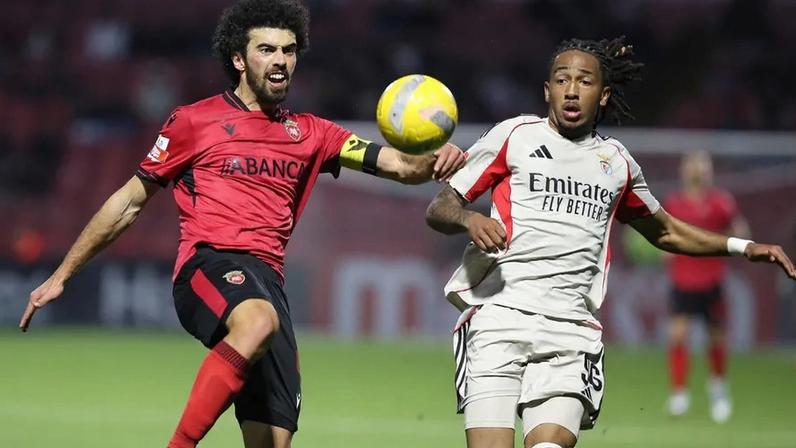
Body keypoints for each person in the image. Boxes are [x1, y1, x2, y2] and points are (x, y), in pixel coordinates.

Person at [18, 1, 465, 447]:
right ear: (238, 59)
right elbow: (128, 203)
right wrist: (62, 274)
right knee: (255, 323)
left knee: (273, 438)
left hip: (269, 285)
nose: (280, 60)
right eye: (266, 50)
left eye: (288, 50)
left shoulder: (314, 134)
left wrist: (437, 159)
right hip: (209, 265)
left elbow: (400, 166)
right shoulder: (193, 122)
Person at [425, 36, 796, 448]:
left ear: (603, 96)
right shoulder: (514, 136)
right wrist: (469, 218)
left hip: (570, 332)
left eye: (584, 81)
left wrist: (743, 247)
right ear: (547, 91)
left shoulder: (617, 164)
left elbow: (665, 230)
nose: (571, 90)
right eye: (562, 80)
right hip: (498, 318)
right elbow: (441, 206)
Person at [664, 150, 750, 423]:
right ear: (684, 170)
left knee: (716, 339)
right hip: (683, 280)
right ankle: (679, 394)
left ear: (709, 171)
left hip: (712, 281)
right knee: (678, 335)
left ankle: (718, 391)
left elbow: (741, 232)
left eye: (702, 166)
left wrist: (730, 243)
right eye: (693, 165)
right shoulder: (674, 204)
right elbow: (664, 237)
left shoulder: (721, 202)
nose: (698, 170)